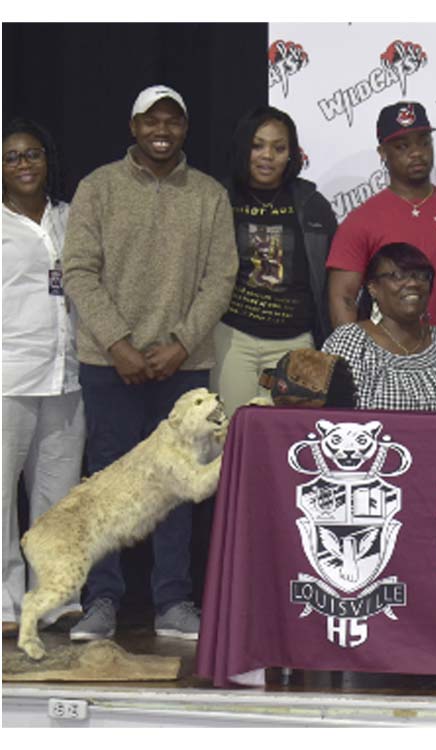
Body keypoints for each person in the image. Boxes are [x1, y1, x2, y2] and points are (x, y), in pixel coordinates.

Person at [61, 85, 238, 642]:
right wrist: (118, 344)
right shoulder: (98, 187)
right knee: (107, 484)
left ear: (185, 129)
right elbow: (78, 270)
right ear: (134, 127)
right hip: (108, 363)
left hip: (182, 368)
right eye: (151, 121)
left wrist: (181, 344)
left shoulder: (209, 195)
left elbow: (221, 278)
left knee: (179, 485)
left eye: (173, 121)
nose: (162, 130)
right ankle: (101, 600)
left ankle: (173, 602)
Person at [2, 118, 86, 635]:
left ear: (47, 159)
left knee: (58, 498)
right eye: (12, 156)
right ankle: (6, 604)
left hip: (66, 375)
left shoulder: (70, 216)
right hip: (8, 376)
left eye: (32, 154)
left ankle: (54, 598)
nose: (24, 164)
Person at [211, 106, 338, 412]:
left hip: (294, 341)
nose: (267, 156)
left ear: (291, 155)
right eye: (257, 146)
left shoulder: (312, 204)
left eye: (279, 148)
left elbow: (330, 278)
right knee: (232, 429)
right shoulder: (220, 197)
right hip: (233, 338)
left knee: (286, 435)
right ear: (243, 148)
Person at [326, 101, 436, 328]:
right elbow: (343, 298)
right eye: (402, 146)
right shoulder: (361, 221)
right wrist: (352, 348)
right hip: (388, 346)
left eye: (424, 142)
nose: (417, 153)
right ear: (382, 153)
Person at [322, 243, 436, 414]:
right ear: (373, 288)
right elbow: (331, 417)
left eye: (422, 276)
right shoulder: (351, 341)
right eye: (398, 276)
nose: (413, 283)